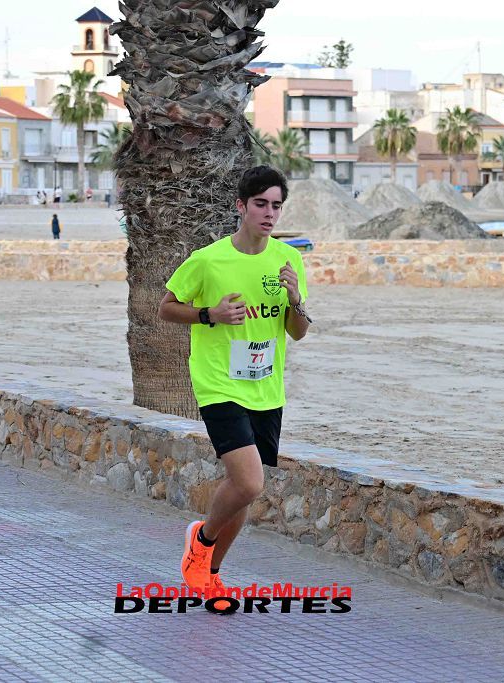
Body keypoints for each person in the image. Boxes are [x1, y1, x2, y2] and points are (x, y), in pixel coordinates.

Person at [158, 165, 311, 595]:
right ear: (241, 206)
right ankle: (201, 541)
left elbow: (297, 332)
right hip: (219, 383)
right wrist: (210, 315)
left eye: (276, 206)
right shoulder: (208, 260)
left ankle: (211, 576)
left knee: (244, 492)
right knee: (248, 481)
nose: (269, 213)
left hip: (265, 387)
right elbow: (166, 309)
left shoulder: (289, 260)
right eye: (260, 204)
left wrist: (296, 300)